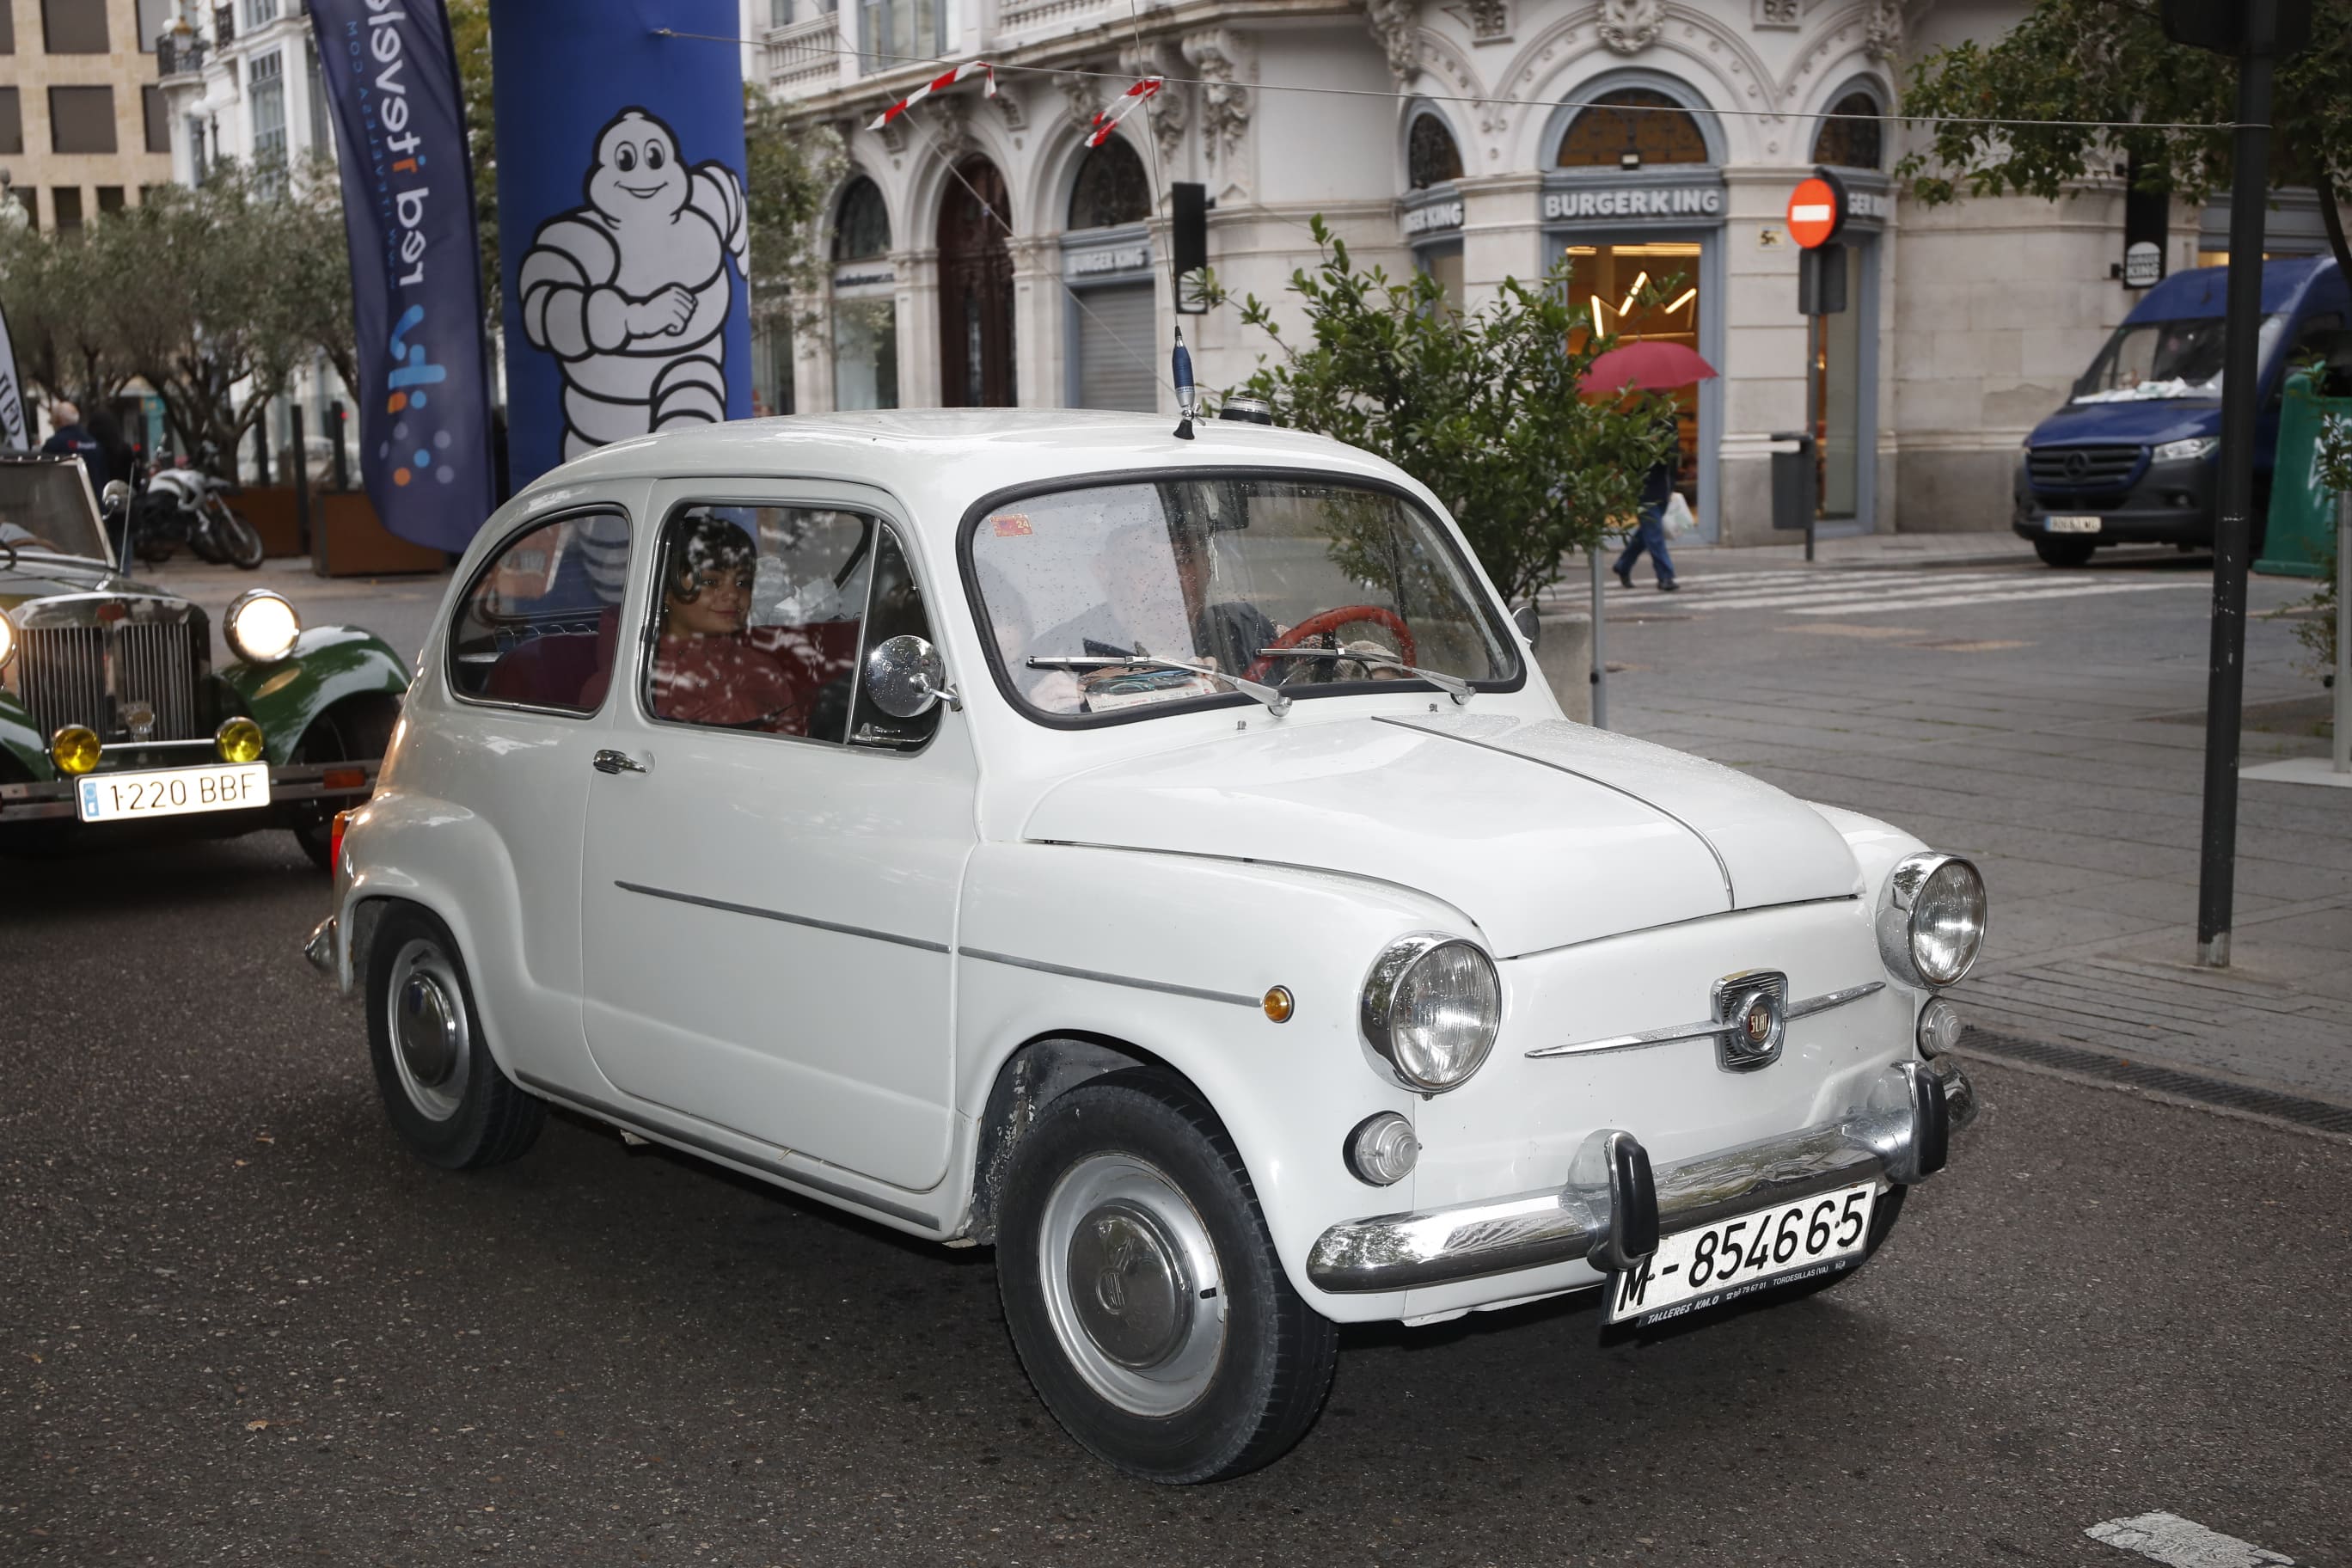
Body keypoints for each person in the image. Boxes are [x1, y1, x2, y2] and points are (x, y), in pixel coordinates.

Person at [646, 517, 799, 728]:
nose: (733, 594)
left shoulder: (762, 669)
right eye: (711, 581)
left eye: (742, 582)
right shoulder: (637, 678)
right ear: (665, 591)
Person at [1614, 416, 1681, 593]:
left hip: (1663, 488)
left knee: (1646, 534)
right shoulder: (1639, 419)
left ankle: (1623, 564)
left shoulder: (1670, 422)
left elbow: (1673, 456)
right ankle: (1665, 576)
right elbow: (1631, 456)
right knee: (1654, 534)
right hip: (1644, 489)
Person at [40, 401, 107, 491]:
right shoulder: (94, 443)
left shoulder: (54, 444)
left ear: (59, 421)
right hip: (95, 500)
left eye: (52, 423)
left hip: (68, 500)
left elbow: (44, 476)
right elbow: (103, 476)